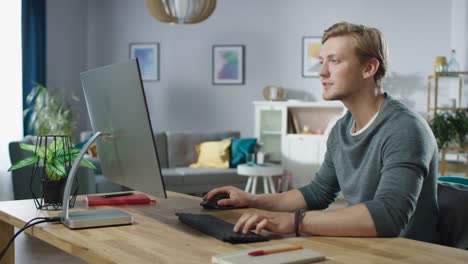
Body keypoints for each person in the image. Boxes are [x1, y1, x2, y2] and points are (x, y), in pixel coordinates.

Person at [204, 21, 439, 243]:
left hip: (409, 254)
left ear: (369, 68)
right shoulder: (341, 129)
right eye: (322, 61)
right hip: (367, 248)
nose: (322, 72)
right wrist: (251, 199)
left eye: (334, 61)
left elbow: (388, 216)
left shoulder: (405, 129)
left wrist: (295, 221)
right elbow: (317, 193)